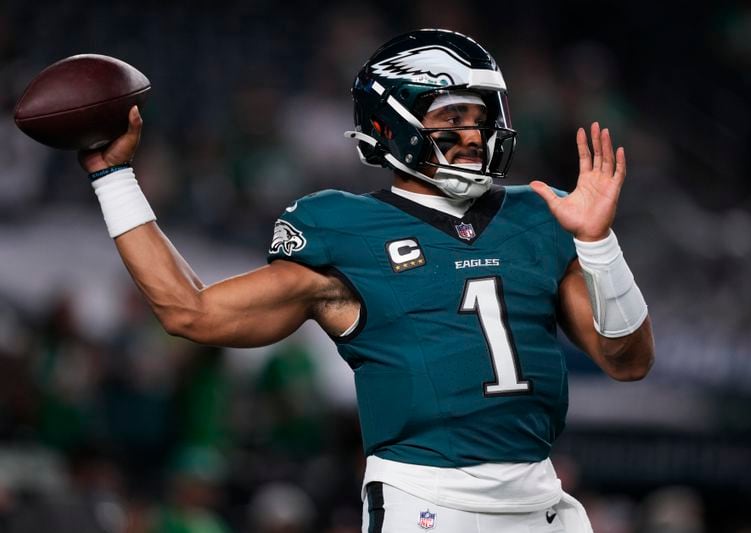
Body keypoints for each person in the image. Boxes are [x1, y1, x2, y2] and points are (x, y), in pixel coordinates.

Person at [79, 29, 654, 533]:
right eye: (453, 117)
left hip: (542, 501)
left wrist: (599, 243)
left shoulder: (539, 214)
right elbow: (190, 312)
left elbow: (628, 361)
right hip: (428, 502)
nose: (475, 135)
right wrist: (114, 178)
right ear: (392, 123)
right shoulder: (344, 228)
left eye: (481, 117)